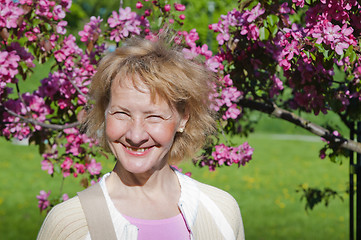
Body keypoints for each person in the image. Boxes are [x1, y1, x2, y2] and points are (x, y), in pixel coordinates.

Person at [37, 35, 245, 240]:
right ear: (104, 112)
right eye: (122, 113)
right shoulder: (68, 224)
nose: (135, 135)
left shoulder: (222, 212)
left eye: (154, 116)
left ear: (183, 118)